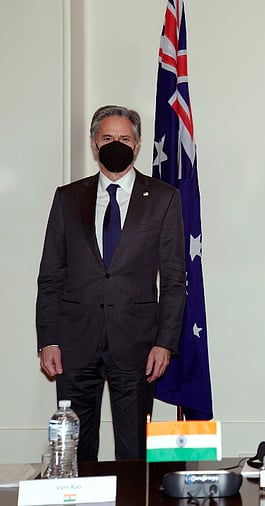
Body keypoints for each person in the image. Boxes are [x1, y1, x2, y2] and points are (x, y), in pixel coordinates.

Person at [36, 105, 186, 461]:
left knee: (134, 449)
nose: (115, 144)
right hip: (74, 344)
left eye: (123, 138)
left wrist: (165, 343)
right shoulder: (67, 198)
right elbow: (50, 274)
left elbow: (175, 280)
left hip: (137, 344)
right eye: (107, 138)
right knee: (75, 449)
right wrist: (48, 340)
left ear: (136, 146)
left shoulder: (164, 199)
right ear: (93, 143)